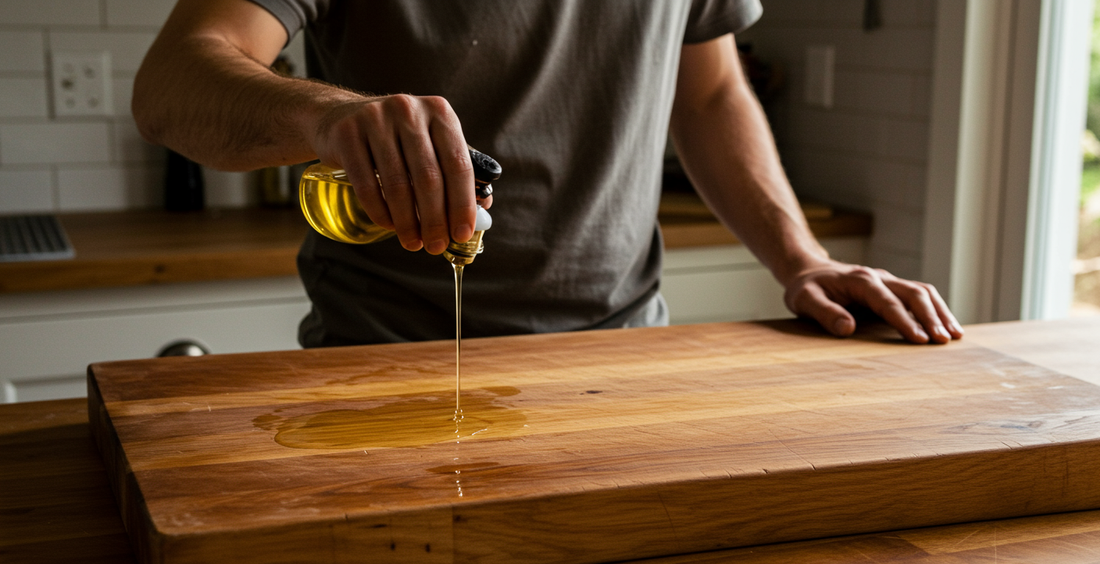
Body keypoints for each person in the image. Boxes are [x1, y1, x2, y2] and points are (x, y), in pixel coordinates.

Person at [133, 0, 964, 346]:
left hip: (620, 365)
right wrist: (327, 116)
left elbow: (709, 94)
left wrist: (802, 258)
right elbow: (175, 80)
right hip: (385, 362)